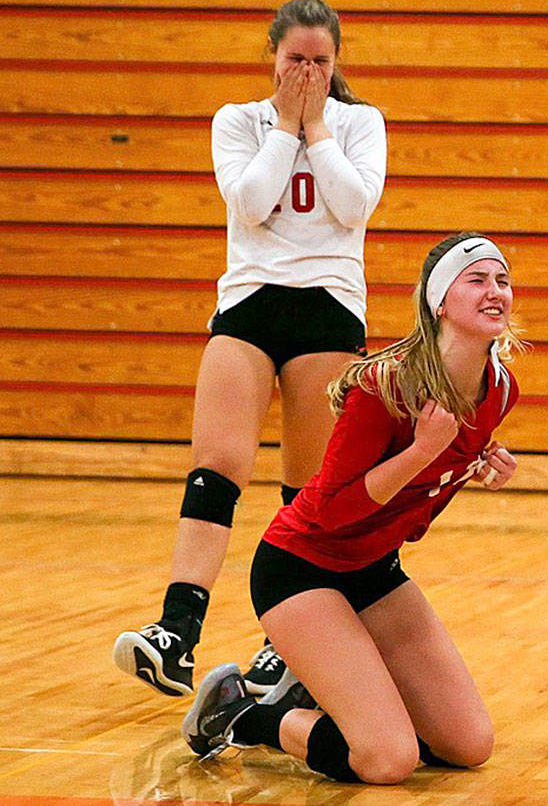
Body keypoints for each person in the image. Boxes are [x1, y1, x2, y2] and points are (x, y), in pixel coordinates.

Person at [113, 0, 388, 698]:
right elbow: (251, 201)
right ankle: (177, 631)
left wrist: (316, 127)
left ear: (337, 61)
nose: (307, 72)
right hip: (249, 304)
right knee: (216, 466)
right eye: (295, 59)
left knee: (308, 490)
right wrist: (286, 127)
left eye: (320, 61)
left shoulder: (360, 123)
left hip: (329, 308)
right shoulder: (238, 121)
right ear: (272, 55)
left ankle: (285, 644)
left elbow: (354, 205)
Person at [181, 232, 521, 784]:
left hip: (373, 568)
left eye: (503, 281)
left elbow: (415, 518)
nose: (495, 291)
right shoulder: (383, 386)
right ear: (439, 302)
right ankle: (240, 713)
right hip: (301, 569)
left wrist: (469, 470)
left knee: (468, 744)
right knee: (387, 760)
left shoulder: (499, 388)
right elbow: (333, 511)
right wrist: (423, 453)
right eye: (477, 279)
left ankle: (335, 695)